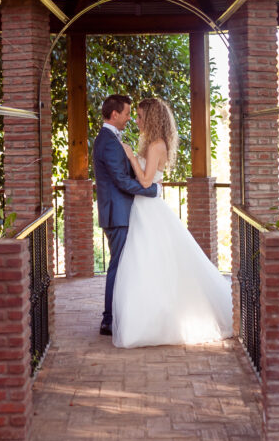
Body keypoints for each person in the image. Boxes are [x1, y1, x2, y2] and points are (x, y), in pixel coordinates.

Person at [113, 97, 232, 348]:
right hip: (142, 208)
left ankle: (161, 321)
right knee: (142, 263)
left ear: (152, 119)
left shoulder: (157, 145)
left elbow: (146, 182)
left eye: (141, 116)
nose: (137, 120)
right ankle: (143, 320)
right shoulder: (150, 143)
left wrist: (131, 156)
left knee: (152, 261)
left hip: (150, 210)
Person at [92, 94, 159, 336]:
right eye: (128, 113)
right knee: (118, 267)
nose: (130, 119)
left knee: (122, 265)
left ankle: (118, 314)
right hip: (117, 214)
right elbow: (120, 181)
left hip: (120, 212)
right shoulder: (108, 142)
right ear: (114, 114)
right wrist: (151, 190)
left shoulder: (110, 139)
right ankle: (108, 320)